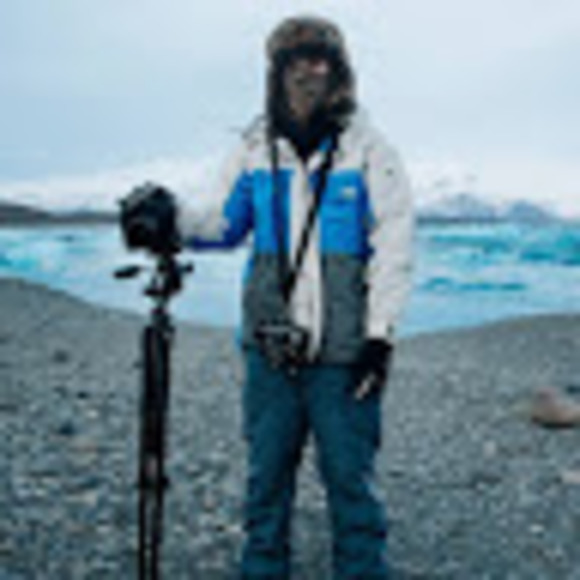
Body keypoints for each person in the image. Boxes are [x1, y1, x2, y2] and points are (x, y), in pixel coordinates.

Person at [122, 15, 413, 580]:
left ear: (341, 69)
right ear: (276, 71)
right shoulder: (255, 150)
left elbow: (393, 247)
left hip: (343, 353)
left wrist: (380, 337)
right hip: (269, 351)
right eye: (295, 59)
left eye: (321, 58)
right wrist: (167, 218)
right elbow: (223, 223)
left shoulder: (370, 150)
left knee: (351, 483)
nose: (310, 70)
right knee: (266, 482)